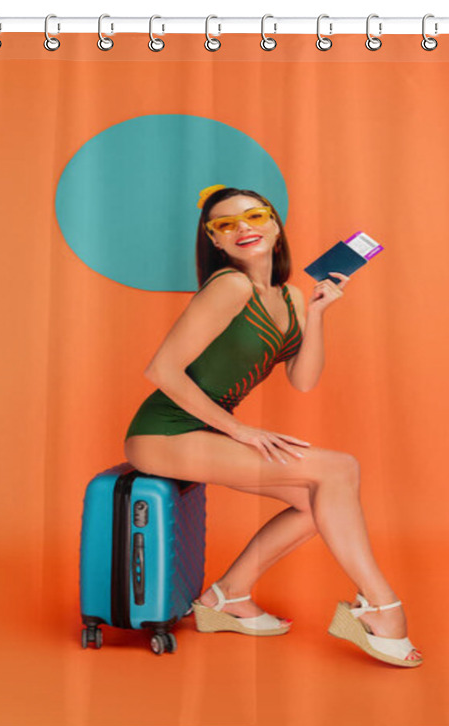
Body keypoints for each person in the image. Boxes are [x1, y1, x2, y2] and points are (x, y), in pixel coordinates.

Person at [123, 184, 422, 667]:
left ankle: (228, 597)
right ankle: (381, 608)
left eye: (255, 216)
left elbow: (303, 381)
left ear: (275, 225)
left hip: (206, 429)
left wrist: (319, 313)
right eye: (226, 224)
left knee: (314, 503)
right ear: (214, 241)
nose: (243, 228)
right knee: (339, 469)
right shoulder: (230, 286)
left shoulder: (291, 296)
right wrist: (241, 432)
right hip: (162, 432)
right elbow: (162, 372)